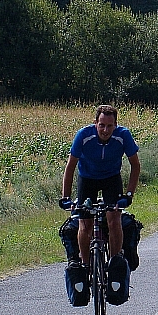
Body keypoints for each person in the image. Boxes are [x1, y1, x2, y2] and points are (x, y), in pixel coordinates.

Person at [59, 104, 141, 266]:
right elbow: (70, 167)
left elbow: (135, 165)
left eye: (110, 126)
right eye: (102, 125)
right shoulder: (83, 135)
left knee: (114, 219)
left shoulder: (123, 135)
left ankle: (114, 261)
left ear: (115, 125)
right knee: (85, 223)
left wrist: (129, 194)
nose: (105, 130)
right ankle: (86, 264)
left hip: (111, 178)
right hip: (87, 178)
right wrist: (66, 197)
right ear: (95, 123)